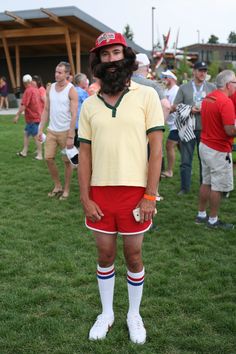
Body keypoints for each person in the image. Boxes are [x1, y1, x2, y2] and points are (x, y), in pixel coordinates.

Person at [78, 32, 164, 344]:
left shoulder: (147, 96)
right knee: (104, 253)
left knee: (134, 254)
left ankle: (133, 314)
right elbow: (84, 154)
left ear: (125, 57)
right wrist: (85, 196)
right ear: (98, 62)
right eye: (105, 55)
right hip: (100, 192)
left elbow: (157, 150)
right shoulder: (89, 105)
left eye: (116, 52)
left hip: (135, 192)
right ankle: (107, 312)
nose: (112, 59)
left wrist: (150, 195)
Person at [195, 70, 236, 230]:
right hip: (218, 149)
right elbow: (229, 131)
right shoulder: (225, 102)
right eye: (235, 83)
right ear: (228, 85)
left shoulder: (209, 97)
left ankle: (201, 214)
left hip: (205, 145)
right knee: (217, 186)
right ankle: (212, 220)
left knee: (206, 182)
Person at [173, 61, 215, 195]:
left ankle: (205, 187)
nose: (203, 73)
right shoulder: (184, 88)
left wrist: (206, 108)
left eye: (205, 71)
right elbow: (175, 106)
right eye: (200, 70)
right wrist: (190, 109)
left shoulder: (211, 87)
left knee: (205, 161)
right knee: (186, 160)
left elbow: (217, 106)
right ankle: (185, 188)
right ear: (194, 71)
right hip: (188, 128)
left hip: (206, 129)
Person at [38, 61, 78, 200]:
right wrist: (40, 128)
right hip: (51, 131)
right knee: (48, 158)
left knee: (67, 162)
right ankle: (57, 186)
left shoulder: (71, 90)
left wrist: (71, 136)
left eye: (60, 72)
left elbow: (74, 115)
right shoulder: (50, 88)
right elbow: (46, 109)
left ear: (67, 74)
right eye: (56, 71)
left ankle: (66, 189)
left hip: (66, 131)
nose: (56, 74)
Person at [13, 74, 43, 160]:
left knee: (36, 136)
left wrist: (17, 115)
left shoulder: (28, 91)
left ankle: (40, 155)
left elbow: (24, 105)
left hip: (33, 117)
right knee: (26, 133)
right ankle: (24, 152)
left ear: (24, 83)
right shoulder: (36, 90)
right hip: (36, 116)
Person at [132, 53, 170, 119]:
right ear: (147, 67)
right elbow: (166, 106)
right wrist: (158, 127)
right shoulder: (152, 85)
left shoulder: (121, 83)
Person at [160, 70, 179, 178]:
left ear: (171, 79)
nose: (164, 80)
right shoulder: (168, 90)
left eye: (166, 78)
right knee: (182, 148)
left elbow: (173, 107)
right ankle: (186, 167)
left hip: (178, 123)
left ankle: (169, 171)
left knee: (169, 146)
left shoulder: (176, 90)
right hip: (172, 124)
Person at [74, 73, 89, 147]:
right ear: (81, 82)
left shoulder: (72, 90)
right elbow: (89, 105)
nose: (87, 81)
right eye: (85, 80)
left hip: (71, 121)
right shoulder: (83, 93)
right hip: (80, 121)